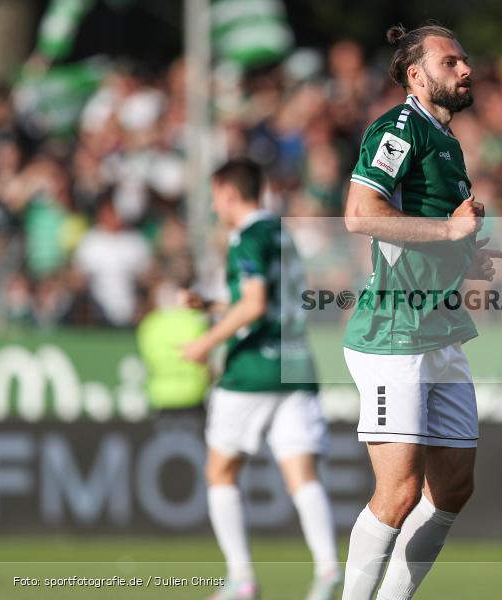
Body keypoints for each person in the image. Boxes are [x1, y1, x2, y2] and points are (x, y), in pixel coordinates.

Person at [340, 23, 502, 600]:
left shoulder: (446, 141)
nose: (466, 69)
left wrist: (466, 255)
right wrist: (451, 228)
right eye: (452, 61)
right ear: (418, 74)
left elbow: (426, 236)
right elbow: (361, 214)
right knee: (399, 492)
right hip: (393, 331)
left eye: (466, 60)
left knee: (454, 487)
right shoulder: (399, 128)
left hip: (439, 327)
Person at [181, 158, 341, 600]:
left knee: (220, 470)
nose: (214, 206)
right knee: (302, 474)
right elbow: (268, 302)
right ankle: (328, 571)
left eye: (215, 196)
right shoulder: (281, 234)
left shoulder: (246, 237)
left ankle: (241, 579)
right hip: (296, 363)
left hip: (252, 368)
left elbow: (252, 307)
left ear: (230, 193)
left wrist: (204, 343)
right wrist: (213, 304)